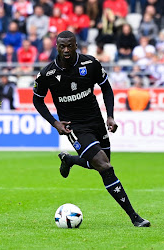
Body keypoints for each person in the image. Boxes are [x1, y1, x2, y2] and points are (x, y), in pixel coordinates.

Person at [33, 30, 150, 227]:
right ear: (57, 47)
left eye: (70, 45)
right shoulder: (47, 74)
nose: (67, 50)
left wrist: (110, 116)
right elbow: (37, 101)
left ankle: (69, 159)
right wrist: (55, 123)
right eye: (62, 46)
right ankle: (134, 217)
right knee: (105, 167)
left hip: (96, 122)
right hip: (74, 127)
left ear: (76, 45)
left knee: (102, 165)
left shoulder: (90, 63)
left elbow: (106, 88)